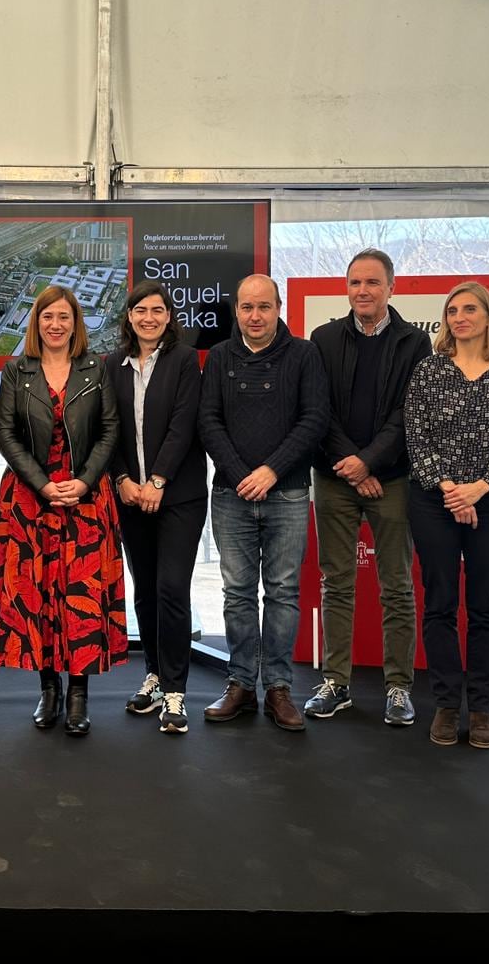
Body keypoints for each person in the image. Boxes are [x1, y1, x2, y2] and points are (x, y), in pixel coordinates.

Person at [0, 285, 127, 737]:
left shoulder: (96, 368)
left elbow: (110, 429)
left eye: (64, 317)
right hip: (30, 499)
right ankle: (49, 690)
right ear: (36, 322)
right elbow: (3, 432)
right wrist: (44, 484)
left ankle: (79, 694)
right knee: (39, 595)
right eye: (48, 317)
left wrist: (83, 481)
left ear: (76, 322)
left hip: (85, 499)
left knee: (79, 596)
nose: (56, 325)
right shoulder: (16, 370)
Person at [404, 282, 489, 750]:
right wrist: (451, 492)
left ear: (487, 317)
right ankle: (445, 704)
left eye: (470, 309)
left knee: (485, 608)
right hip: (433, 500)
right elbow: (416, 439)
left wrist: (478, 490)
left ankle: (481, 708)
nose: (460, 317)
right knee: (438, 604)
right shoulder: (428, 372)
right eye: (452, 310)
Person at [199, 275, 329, 732]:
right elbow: (208, 421)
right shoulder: (219, 357)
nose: (255, 316)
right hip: (231, 495)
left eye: (264, 307)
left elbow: (314, 419)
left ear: (279, 308)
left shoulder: (304, 355)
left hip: (289, 492)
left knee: (282, 593)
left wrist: (271, 471)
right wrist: (240, 475)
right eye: (247, 307)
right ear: (237, 311)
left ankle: (277, 688)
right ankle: (240, 684)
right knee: (237, 595)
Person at [306, 248, 430, 726]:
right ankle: (335, 683)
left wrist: (371, 462)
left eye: (373, 283)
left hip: (394, 478)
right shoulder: (322, 338)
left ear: (391, 288)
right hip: (336, 475)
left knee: (397, 585)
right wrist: (352, 464)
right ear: (347, 288)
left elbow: (408, 414)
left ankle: (398, 687)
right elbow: (321, 411)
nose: (363, 291)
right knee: (336, 583)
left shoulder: (415, 343)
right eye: (355, 282)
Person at [107, 281, 206, 734]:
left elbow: (185, 424)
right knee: (144, 589)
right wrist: (124, 480)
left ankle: (175, 691)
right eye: (140, 310)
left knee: (171, 588)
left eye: (157, 310)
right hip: (130, 496)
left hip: (178, 496)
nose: (149, 317)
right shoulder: (113, 365)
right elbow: (108, 429)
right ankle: (152, 674)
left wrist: (158, 480)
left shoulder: (185, 360)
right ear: (129, 316)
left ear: (169, 316)